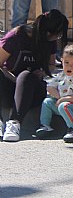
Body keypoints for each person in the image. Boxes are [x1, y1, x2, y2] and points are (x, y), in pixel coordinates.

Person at [0, 9, 68, 142]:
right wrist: (15, 79)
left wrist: (42, 72)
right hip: (9, 85)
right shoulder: (16, 36)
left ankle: (14, 122)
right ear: (47, 32)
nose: (57, 38)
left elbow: (51, 65)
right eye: (57, 35)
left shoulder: (49, 41)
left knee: (26, 76)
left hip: (31, 90)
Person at [35, 44, 73, 143]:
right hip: (63, 103)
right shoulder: (62, 75)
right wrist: (58, 97)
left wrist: (62, 99)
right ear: (62, 61)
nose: (69, 66)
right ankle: (45, 126)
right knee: (47, 102)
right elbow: (50, 87)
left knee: (64, 106)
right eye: (66, 62)